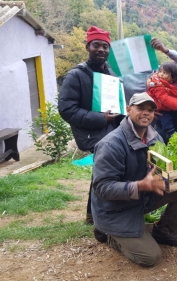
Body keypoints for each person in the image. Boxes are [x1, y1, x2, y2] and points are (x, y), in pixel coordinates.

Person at [91, 92, 177, 267]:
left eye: (150, 110)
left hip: (141, 198)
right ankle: (109, 235)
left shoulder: (155, 138)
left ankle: (162, 230)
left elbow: (160, 169)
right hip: (114, 209)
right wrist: (141, 185)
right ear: (129, 110)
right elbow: (102, 188)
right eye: (140, 108)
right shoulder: (111, 144)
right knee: (150, 257)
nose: (146, 113)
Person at [58, 26, 123, 229]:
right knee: (105, 172)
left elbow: (116, 105)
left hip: (111, 130)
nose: (101, 50)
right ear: (88, 47)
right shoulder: (76, 76)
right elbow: (66, 109)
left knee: (106, 172)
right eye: (97, 45)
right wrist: (101, 118)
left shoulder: (111, 74)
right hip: (92, 132)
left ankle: (96, 213)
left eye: (105, 46)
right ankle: (97, 215)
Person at [146, 62, 177, 143]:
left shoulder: (173, 83)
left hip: (163, 106)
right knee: (166, 119)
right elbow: (165, 99)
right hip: (159, 107)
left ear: (173, 77)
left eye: (165, 73)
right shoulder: (158, 85)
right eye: (160, 71)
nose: (161, 74)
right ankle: (172, 134)